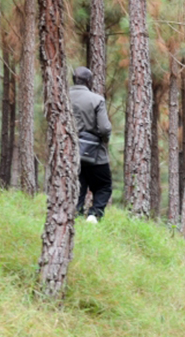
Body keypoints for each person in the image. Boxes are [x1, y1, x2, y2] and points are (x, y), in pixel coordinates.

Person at [71, 67, 112, 223]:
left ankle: (75, 213)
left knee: (78, 185)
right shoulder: (96, 99)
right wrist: (105, 140)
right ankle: (94, 215)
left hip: (69, 151)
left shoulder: (62, 96)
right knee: (103, 185)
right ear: (89, 81)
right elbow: (104, 128)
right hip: (95, 153)